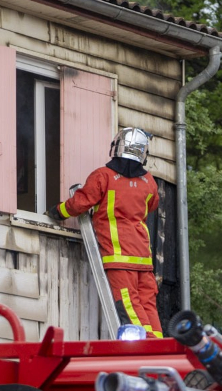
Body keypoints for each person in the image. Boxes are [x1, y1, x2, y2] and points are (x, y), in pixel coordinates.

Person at [47, 127, 163, 338]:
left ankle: (150, 345)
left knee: (129, 306)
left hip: (118, 257)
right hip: (143, 259)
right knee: (148, 304)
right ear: (143, 153)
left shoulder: (103, 176)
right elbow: (152, 205)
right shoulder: (150, 183)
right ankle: (160, 343)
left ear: (117, 147)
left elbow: (80, 204)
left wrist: (57, 211)